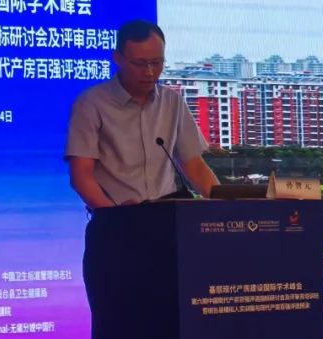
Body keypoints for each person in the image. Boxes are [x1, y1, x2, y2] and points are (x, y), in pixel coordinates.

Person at [65, 19, 219, 208]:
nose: (149, 72)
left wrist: (226, 207)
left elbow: (194, 165)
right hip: (114, 217)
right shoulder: (91, 104)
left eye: (156, 62)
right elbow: (81, 176)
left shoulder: (173, 102)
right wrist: (113, 215)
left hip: (167, 216)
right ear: (117, 58)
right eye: (139, 64)